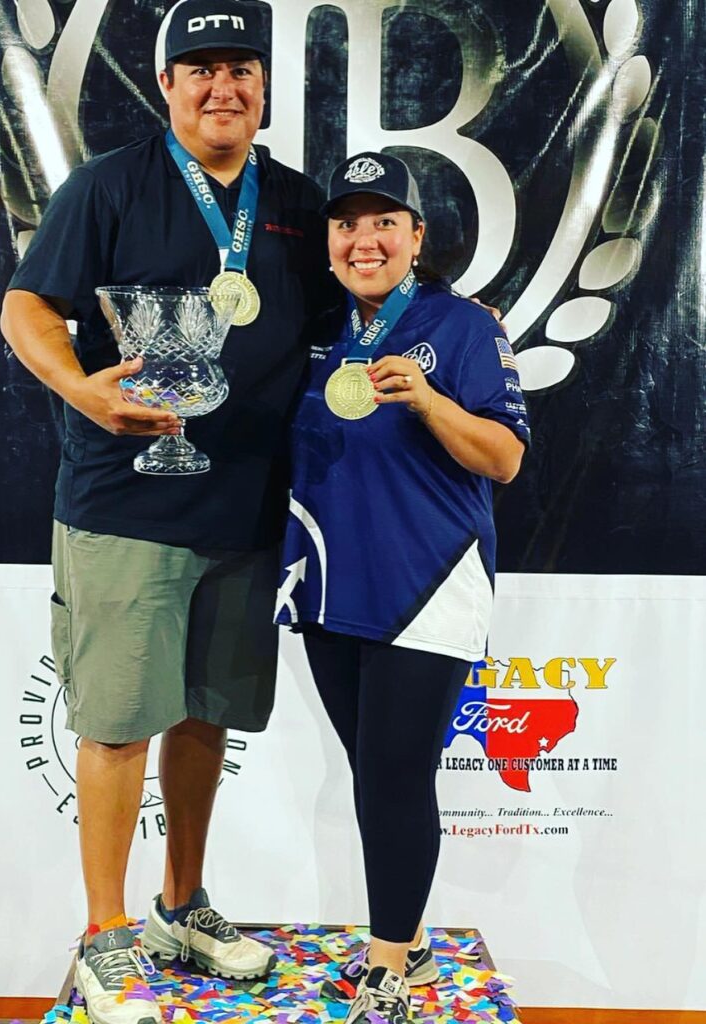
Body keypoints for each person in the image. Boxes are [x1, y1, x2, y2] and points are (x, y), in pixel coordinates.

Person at [0, 3, 336, 1022]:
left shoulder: (293, 202)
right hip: (125, 506)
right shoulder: (109, 185)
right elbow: (27, 308)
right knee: (113, 724)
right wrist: (88, 388)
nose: (221, 85)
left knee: (204, 717)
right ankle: (105, 938)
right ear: (167, 85)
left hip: (245, 505)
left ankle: (179, 905)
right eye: (200, 68)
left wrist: (446, 324)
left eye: (241, 66)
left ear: (265, 86)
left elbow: (338, 324)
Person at [274, 152, 530, 1024]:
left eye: (384, 221)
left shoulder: (460, 327)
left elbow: (503, 460)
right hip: (328, 578)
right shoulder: (315, 329)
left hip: (429, 580)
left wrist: (426, 400)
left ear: (416, 238)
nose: (363, 238)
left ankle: (390, 965)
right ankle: (409, 939)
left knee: (390, 775)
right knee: (374, 771)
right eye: (346, 223)